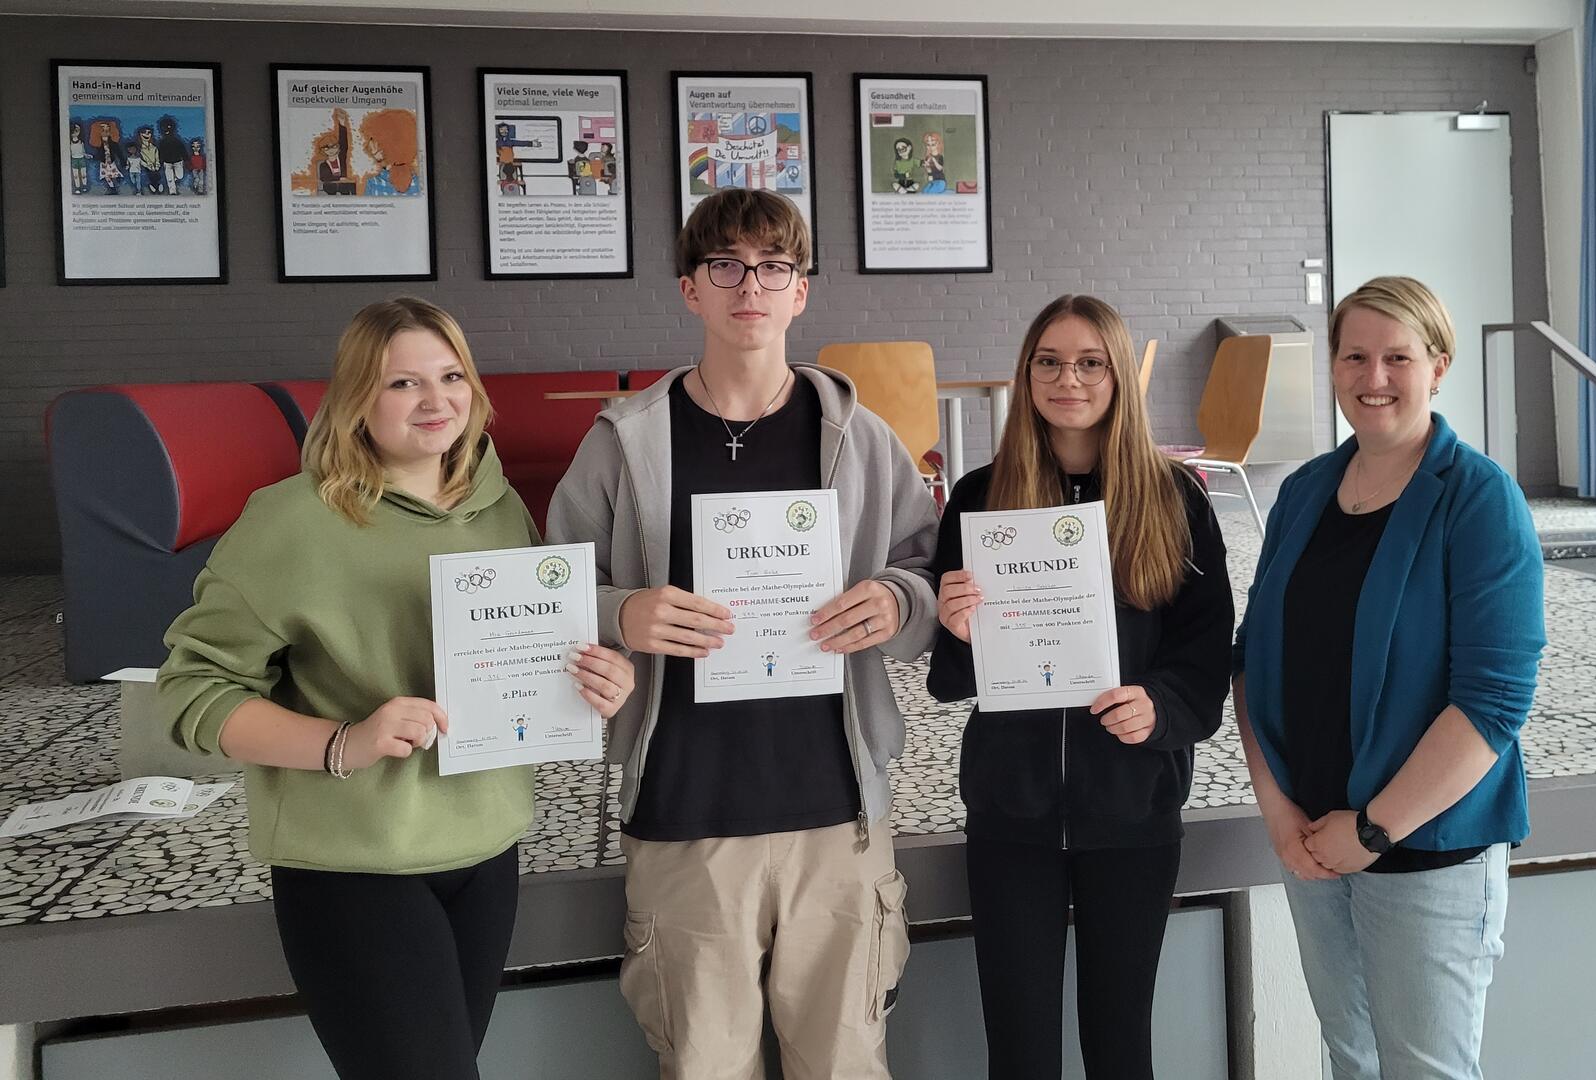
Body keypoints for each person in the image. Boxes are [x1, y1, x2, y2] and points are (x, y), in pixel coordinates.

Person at [156, 297, 636, 1080]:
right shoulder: (290, 522)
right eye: (402, 384)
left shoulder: (501, 506)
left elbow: (522, 660)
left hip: (486, 846)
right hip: (353, 864)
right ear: (355, 402)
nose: (435, 400)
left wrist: (593, 677)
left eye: (450, 376)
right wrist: (343, 741)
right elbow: (191, 690)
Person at [546, 187, 937, 1079]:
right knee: (704, 1067)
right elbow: (550, 590)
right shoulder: (624, 440)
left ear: (801, 291)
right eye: (725, 265)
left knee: (842, 1066)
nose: (749, 286)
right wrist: (623, 614)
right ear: (691, 289)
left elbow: (928, 567)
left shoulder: (860, 438)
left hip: (835, 813)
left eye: (774, 267)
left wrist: (895, 602)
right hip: (687, 810)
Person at [1232, 276, 1545, 1080]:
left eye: (1397, 357)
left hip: (1426, 849)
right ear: (1333, 367)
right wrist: (1280, 816)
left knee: (1422, 1070)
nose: (1374, 378)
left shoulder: (1478, 499)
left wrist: (1371, 829)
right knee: (1350, 1059)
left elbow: (1494, 702)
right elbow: (1253, 662)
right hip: (1312, 843)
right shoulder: (1304, 493)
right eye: (1355, 357)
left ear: (1438, 365)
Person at [926, 295, 1233, 1080]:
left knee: (1121, 1040)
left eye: (1091, 362)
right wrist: (954, 626)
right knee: (1021, 1049)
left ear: (1119, 375)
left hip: (1132, 807)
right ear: (1027, 375)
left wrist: (1161, 708)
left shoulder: (1175, 498)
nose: (1070, 379)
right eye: (1051, 362)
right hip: (1011, 812)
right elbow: (950, 675)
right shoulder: (978, 497)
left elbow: (1204, 649)